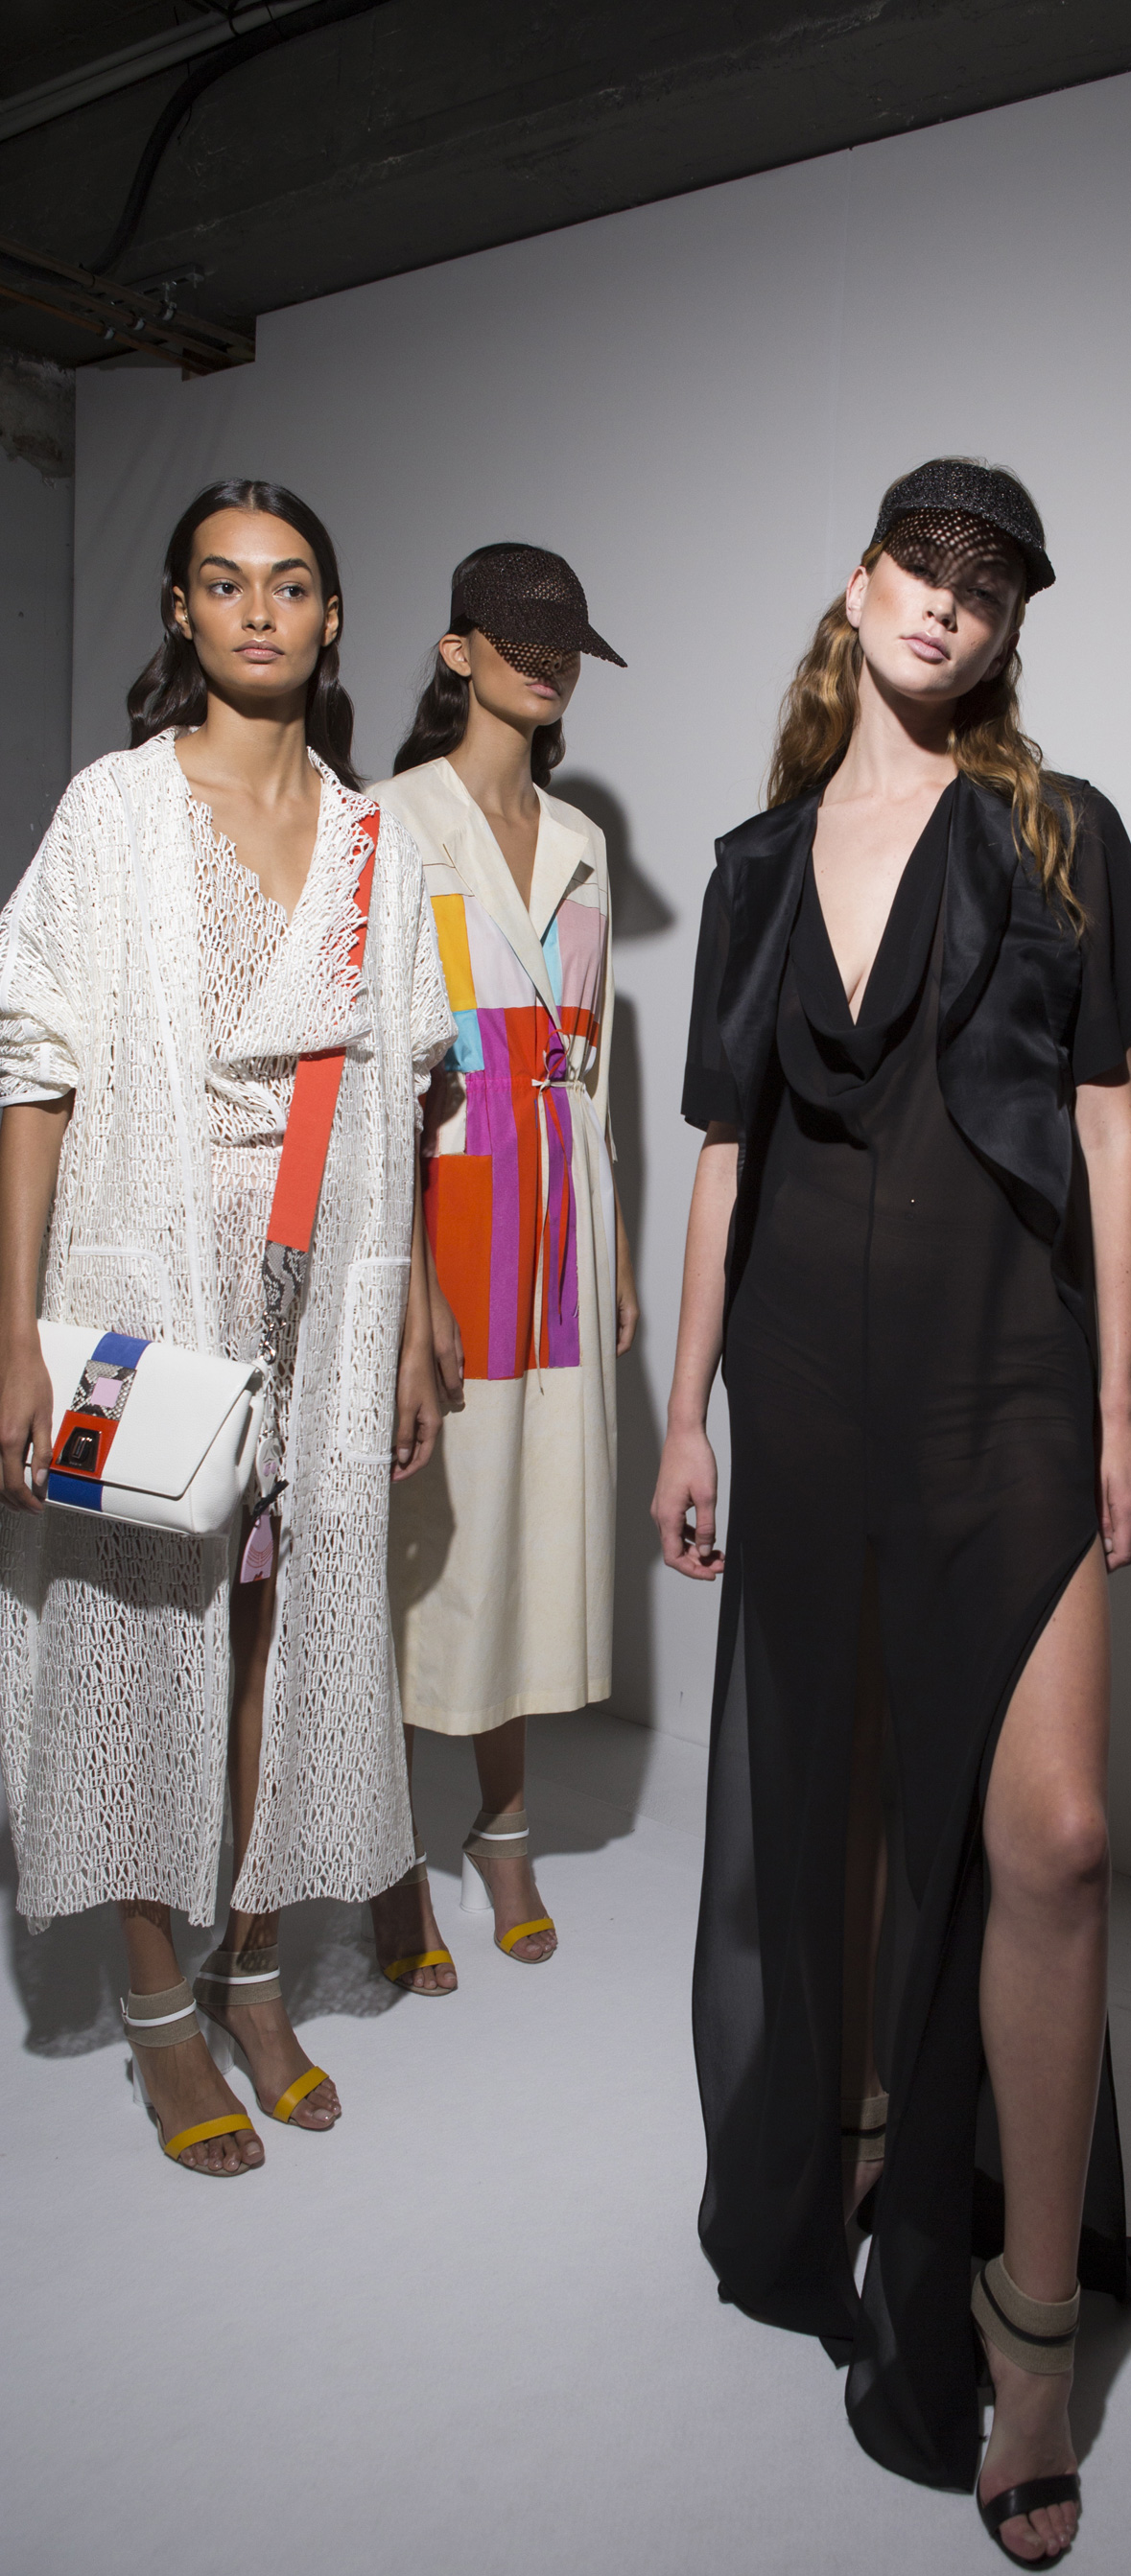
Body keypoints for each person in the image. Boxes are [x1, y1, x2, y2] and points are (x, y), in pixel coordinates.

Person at [651, 459, 1131, 2565]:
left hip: (1007, 1384)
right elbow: (723, 1155)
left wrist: (1121, 1405)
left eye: (989, 587)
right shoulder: (754, 864)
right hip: (798, 1386)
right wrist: (682, 1419)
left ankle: (1027, 2338)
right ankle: (861, 2148)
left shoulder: (1058, 832)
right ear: (857, 582)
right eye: (922, 567)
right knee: (847, 1804)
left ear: (1010, 627)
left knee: (1055, 1836)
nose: (948, 606)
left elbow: (1109, 1125)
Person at [0, 479, 452, 2175]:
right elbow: (32, 1070)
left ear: (331, 619)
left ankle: (254, 1974)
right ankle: (155, 2007)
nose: (258, 610)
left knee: (285, 1643)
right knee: (134, 1643)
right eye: (222, 581)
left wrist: (410, 1328)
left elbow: (409, 1095)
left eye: (290, 583)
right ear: (181, 613)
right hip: (139, 1294)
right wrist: (12, 1327)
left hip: (323, 1303)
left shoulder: (373, 841)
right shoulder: (113, 814)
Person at [370, 544, 637, 1987]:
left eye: (565, 641)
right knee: (424, 1535)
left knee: (535, 1522)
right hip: (444, 1197)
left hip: (563, 1218)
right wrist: (405, 1280)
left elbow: (597, 1065)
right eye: (519, 637)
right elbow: (377, 1072)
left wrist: (621, 1248)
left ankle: (505, 1826)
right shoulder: (389, 820)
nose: (546, 662)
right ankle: (389, 1852)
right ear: (458, 649)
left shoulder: (583, 838)